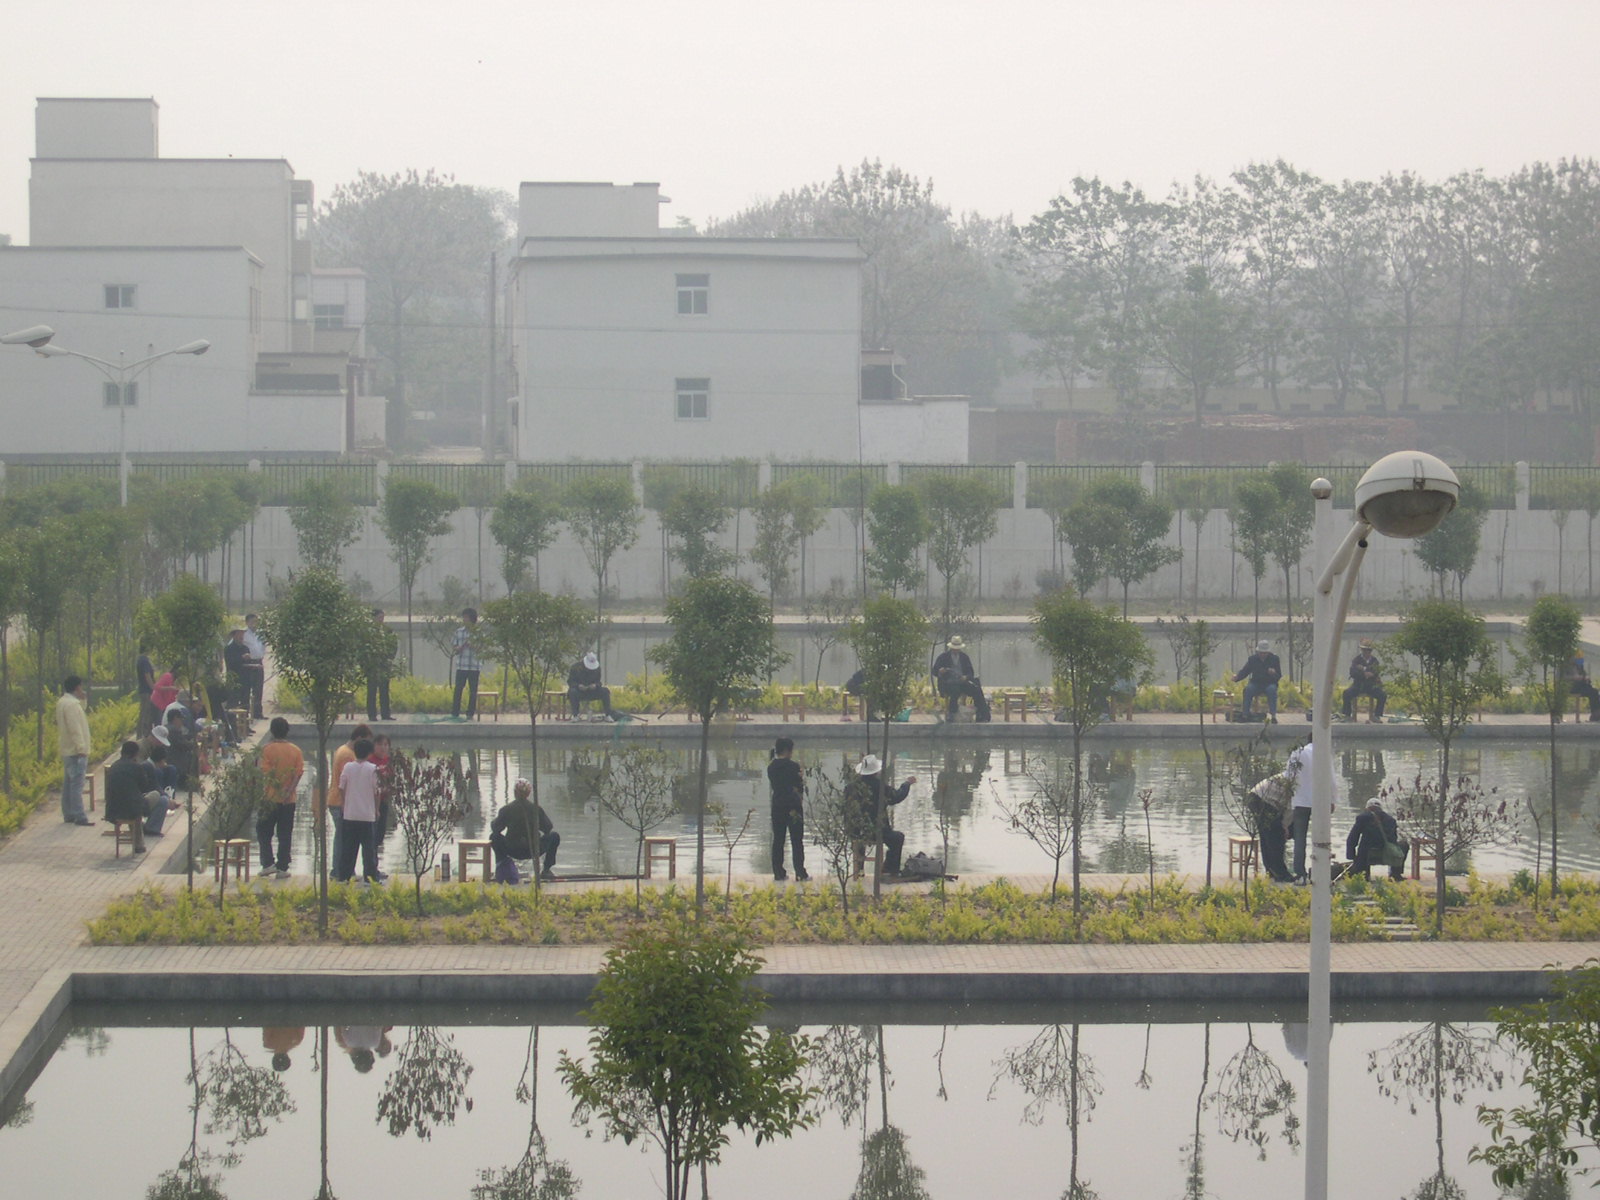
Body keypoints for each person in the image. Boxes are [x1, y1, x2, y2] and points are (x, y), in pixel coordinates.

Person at [850, 754, 916, 877]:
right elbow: (896, 797)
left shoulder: (850, 787)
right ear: (876, 772)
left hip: (855, 830)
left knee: (859, 835)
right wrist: (906, 784)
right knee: (898, 838)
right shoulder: (879, 786)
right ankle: (890, 869)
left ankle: (859, 870)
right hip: (877, 830)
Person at [257, 717, 304, 879]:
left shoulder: (266, 750)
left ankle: (268, 863)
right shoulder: (296, 750)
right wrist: (288, 790)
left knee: (263, 831)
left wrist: (277, 789)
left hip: (269, 797)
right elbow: (298, 774)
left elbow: (266, 772)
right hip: (288, 800)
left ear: (272, 730)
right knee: (285, 834)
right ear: (287, 731)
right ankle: (283, 867)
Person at [490, 778, 561, 882]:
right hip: (533, 849)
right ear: (529, 793)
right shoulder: (536, 809)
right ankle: (546, 869)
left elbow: (496, 829)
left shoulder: (507, 809)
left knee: (494, 837)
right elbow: (548, 828)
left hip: (512, 849)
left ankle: (502, 867)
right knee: (554, 836)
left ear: (514, 792)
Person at [334, 737, 384, 883]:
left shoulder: (348, 767)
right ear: (370, 753)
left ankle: (344, 876)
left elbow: (341, 787)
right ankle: (370, 878)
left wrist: (345, 803)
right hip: (367, 815)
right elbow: (377, 792)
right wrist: (376, 809)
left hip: (350, 814)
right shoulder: (373, 769)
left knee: (348, 848)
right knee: (368, 850)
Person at [325, 724, 372, 877]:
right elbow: (346, 784)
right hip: (340, 802)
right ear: (359, 738)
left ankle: (342, 870)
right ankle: (338, 871)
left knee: (343, 838)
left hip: (339, 801)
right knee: (342, 839)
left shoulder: (343, 750)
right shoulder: (347, 756)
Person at [103, 740, 162, 853]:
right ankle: (139, 844)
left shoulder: (114, 767)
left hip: (112, 809)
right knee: (154, 796)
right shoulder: (136, 767)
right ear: (135, 754)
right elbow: (144, 787)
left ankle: (138, 843)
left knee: (132, 803)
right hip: (132, 809)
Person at [767, 737, 808, 881]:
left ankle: (778, 873)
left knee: (778, 840)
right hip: (793, 806)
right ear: (787, 750)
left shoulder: (771, 767)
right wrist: (801, 777)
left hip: (777, 805)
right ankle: (800, 873)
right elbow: (798, 787)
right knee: (797, 840)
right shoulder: (793, 766)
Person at [55, 676, 92, 826]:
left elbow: (80, 711)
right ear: (77, 687)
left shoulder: (64, 702)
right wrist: (81, 748)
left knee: (69, 784)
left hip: (67, 749)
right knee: (77, 784)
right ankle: (79, 815)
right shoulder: (71, 705)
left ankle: (69, 813)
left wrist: (83, 700)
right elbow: (74, 728)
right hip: (76, 750)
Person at [1247, 771, 1295, 883]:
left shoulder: (1292, 774)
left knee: (1266, 837)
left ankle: (1270, 870)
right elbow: (1291, 807)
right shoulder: (1298, 784)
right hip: (1263, 800)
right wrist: (1285, 826)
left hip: (1254, 796)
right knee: (1275, 838)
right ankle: (1281, 874)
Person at [931, 635, 991, 722]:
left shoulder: (964, 657)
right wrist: (940, 671)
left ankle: (982, 713)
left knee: (976, 689)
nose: (956, 650)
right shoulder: (943, 657)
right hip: (947, 683)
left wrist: (966, 677)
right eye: (954, 648)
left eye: (957, 648)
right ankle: (952, 713)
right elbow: (934, 671)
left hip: (962, 682)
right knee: (955, 690)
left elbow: (970, 672)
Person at [1347, 797, 1408, 880]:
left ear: (1367, 808)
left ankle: (1364, 874)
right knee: (1404, 845)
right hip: (1387, 855)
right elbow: (1393, 840)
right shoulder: (1391, 820)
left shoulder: (1362, 818)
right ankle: (1395, 874)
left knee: (1364, 845)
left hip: (1367, 855)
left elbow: (1352, 838)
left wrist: (1352, 857)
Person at [1234, 640, 1282, 722]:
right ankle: (1245, 714)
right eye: (1261, 653)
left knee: (1272, 690)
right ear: (1258, 652)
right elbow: (1245, 671)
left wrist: (1274, 673)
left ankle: (1273, 716)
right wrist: (1237, 677)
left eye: (1265, 653)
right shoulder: (1252, 659)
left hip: (1269, 683)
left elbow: (1279, 675)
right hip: (1256, 683)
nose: (1263, 655)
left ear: (1268, 652)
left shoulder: (1274, 659)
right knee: (1248, 690)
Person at [1342, 639, 1386, 722]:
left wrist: (1364, 669)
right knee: (1346, 693)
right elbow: (1353, 673)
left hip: (1371, 686)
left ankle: (1377, 716)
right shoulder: (1356, 660)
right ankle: (1347, 715)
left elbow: (1376, 672)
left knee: (1382, 695)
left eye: (1368, 650)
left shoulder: (1374, 660)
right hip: (1358, 685)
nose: (1366, 652)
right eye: (1364, 650)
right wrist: (1364, 674)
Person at [142, 743, 182, 836]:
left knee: (164, 798)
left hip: (142, 795)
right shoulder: (148, 767)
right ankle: (152, 829)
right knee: (163, 801)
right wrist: (168, 799)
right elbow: (154, 787)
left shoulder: (149, 766)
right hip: (140, 798)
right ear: (161, 760)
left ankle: (150, 826)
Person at [364, 608, 397, 722]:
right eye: (379, 617)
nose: (381, 620)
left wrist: (389, 658)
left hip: (384, 665)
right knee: (372, 690)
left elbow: (394, 645)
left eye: (382, 617)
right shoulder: (368, 632)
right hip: (372, 665)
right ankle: (372, 715)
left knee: (384, 690)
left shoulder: (388, 631)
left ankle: (385, 714)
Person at [451, 607, 481, 719]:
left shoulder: (478, 633)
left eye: (466, 617)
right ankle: (455, 712)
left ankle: (470, 713)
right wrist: (461, 646)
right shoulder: (459, 632)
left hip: (474, 666)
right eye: (463, 617)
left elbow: (481, 649)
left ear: (472, 619)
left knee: (473, 691)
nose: (464, 619)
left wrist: (472, 645)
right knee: (458, 689)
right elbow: (455, 647)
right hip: (461, 665)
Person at [567, 651, 613, 720]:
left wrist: (595, 685)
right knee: (572, 692)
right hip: (579, 692)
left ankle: (608, 715)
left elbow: (598, 682)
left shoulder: (597, 668)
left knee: (605, 691)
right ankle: (575, 715)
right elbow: (570, 681)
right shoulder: (575, 668)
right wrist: (578, 686)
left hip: (592, 692)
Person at [242, 613, 267, 719]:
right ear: (247, 623)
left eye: (256, 622)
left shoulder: (260, 634)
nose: (254, 624)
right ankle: (246, 712)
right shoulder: (244, 635)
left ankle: (257, 712)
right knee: (247, 688)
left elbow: (263, 647)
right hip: (249, 663)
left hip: (259, 662)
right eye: (252, 622)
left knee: (258, 688)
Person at [1563, 653, 1600, 722]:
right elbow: (1562, 677)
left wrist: (1585, 678)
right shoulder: (1564, 667)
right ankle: (1596, 714)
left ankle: (1596, 714)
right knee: (1591, 691)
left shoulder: (1579, 666)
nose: (1574, 659)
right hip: (1571, 687)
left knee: (1594, 692)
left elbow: (1584, 674)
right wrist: (1573, 678)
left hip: (1581, 686)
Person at [135, 643, 158, 737]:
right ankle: (141, 736)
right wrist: (153, 687)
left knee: (147, 714)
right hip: (146, 691)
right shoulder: (144, 660)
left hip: (146, 690)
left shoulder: (142, 659)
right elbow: (147, 675)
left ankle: (146, 734)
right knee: (145, 714)